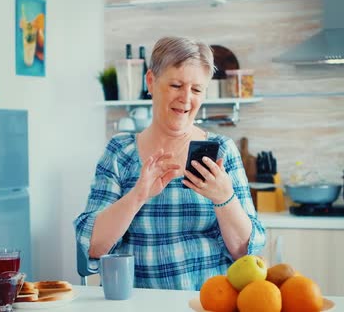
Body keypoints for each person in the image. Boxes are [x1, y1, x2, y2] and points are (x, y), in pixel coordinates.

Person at [74, 36, 266, 290]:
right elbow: (93, 246)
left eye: (196, 90)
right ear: (151, 82)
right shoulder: (121, 153)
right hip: (138, 303)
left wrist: (224, 198)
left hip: (208, 301)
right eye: (176, 85)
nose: (186, 99)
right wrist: (138, 195)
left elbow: (247, 254)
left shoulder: (222, 152)